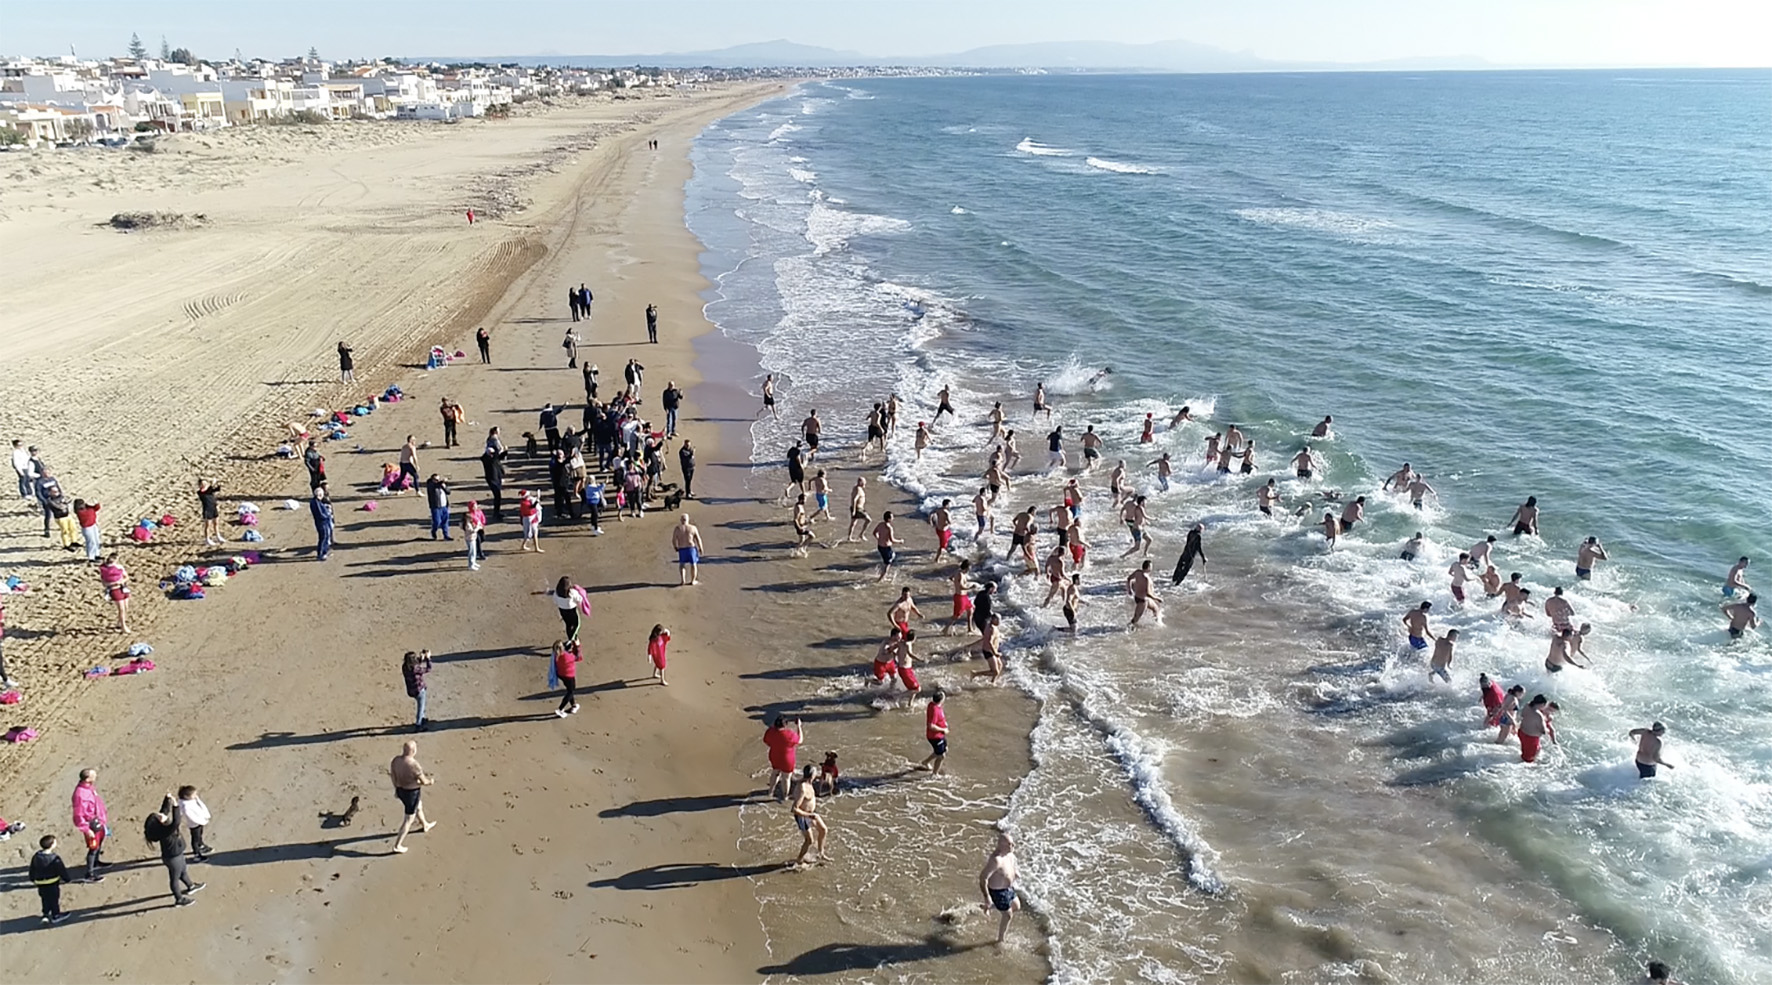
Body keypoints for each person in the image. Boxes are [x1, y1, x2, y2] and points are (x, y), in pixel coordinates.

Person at [145, 793, 204, 905]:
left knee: (183, 871)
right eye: (159, 816)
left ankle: (191, 886)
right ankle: (179, 899)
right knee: (175, 878)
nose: (161, 814)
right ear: (160, 823)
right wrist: (176, 805)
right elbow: (176, 821)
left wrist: (167, 799)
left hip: (177, 855)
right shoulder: (166, 831)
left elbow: (164, 810)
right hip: (172, 858)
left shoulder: (162, 825)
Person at [388, 740, 437, 853]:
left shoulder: (395, 761)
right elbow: (423, 781)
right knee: (409, 819)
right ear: (414, 751)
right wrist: (431, 782)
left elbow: (393, 776)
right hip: (411, 793)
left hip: (400, 790)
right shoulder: (414, 765)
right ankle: (397, 845)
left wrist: (396, 788)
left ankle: (425, 824)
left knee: (418, 806)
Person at [978, 831, 1021, 945]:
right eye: (1010, 844)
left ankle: (990, 906)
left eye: (1013, 843)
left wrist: (1015, 874)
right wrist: (987, 896)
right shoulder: (996, 860)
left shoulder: (1009, 854)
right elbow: (983, 878)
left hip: (1008, 889)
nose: (1013, 846)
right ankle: (1000, 940)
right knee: (1007, 915)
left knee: (1016, 906)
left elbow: (1010, 868)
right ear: (1001, 845)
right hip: (997, 892)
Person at [70, 770, 109, 879]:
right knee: (93, 847)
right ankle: (89, 874)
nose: (96, 776)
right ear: (87, 779)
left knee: (99, 842)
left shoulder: (89, 787)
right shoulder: (80, 795)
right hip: (91, 825)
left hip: (98, 820)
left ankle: (96, 862)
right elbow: (78, 815)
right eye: (93, 775)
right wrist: (86, 830)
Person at [789, 765, 827, 866]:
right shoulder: (802, 788)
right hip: (803, 817)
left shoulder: (809, 782)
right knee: (809, 840)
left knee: (823, 830)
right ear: (812, 775)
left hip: (812, 813)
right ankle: (799, 860)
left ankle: (821, 853)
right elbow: (794, 809)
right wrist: (809, 815)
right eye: (815, 774)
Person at [30, 834, 71, 925]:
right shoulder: (54, 858)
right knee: (54, 899)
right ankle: (56, 915)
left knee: (44, 898)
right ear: (52, 845)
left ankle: (45, 914)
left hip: (40, 883)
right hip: (52, 882)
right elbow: (61, 869)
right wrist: (67, 879)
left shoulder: (36, 856)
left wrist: (32, 878)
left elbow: (32, 868)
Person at [765, 716, 804, 800]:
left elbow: (766, 741)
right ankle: (785, 796)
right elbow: (800, 740)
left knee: (775, 772)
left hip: (774, 756)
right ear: (785, 725)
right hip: (787, 759)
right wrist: (799, 726)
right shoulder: (789, 734)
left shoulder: (770, 731)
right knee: (786, 778)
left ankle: (771, 791)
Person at [1517, 695, 1558, 763]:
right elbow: (1543, 731)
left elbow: (1522, 715)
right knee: (1528, 759)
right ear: (1542, 704)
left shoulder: (1527, 705)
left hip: (1521, 732)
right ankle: (1525, 770)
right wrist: (1548, 729)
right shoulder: (1539, 716)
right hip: (1531, 738)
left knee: (1535, 749)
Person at [177, 785, 212, 861]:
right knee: (195, 839)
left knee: (200, 834)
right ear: (186, 796)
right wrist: (201, 821)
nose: (196, 796)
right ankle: (196, 855)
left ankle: (201, 845)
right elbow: (191, 817)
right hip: (194, 824)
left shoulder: (191, 800)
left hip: (200, 822)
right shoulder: (186, 806)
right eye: (194, 795)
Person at [97, 555, 130, 632]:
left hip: (123, 587)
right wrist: (113, 583)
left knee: (125, 607)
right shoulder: (105, 571)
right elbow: (104, 583)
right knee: (121, 609)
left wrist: (121, 581)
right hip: (114, 589)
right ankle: (123, 626)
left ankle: (119, 622)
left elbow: (126, 577)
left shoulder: (119, 567)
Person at [920, 690, 949, 775]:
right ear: (941, 700)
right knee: (941, 756)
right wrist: (943, 729)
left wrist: (944, 723)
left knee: (944, 750)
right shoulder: (935, 710)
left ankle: (925, 762)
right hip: (935, 736)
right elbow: (931, 726)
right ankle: (934, 774)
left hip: (940, 735)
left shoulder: (933, 704)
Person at [402, 650, 432, 730]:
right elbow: (428, 669)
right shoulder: (415, 668)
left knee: (421, 704)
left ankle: (422, 718)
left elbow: (414, 664)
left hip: (411, 691)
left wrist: (421, 659)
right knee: (421, 707)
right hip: (419, 691)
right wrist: (428, 658)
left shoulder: (405, 667)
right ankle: (418, 724)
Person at [1127, 559, 1162, 626]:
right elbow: (1148, 593)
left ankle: (1158, 624)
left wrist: (1130, 589)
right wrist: (1157, 598)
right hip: (1143, 601)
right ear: (1148, 567)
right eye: (1151, 566)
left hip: (1138, 597)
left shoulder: (1137, 572)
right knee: (1135, 619)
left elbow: (1129, 579)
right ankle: (1126, 630)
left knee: (1156, 609)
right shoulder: (1146, 579)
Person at [673, 513, 705, 586]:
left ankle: (683, 580)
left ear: (681, 520)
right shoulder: (692, 528)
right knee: (693, 564)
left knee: (682, 564)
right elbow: (698, 538)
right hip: (691, 548)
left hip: (682, 548)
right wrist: (701, 547)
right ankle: (693, 580)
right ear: (688, 520)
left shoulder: (678, 528)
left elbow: (674, 539)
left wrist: (675, 547)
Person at [872, 511, 903, 582]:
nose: (893, 518)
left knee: (886, 560)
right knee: (888, 564)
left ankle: (881, 574)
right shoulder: (889, 528)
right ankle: (880, 580)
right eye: (892, 517)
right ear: (889, 519)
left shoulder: (880, 524)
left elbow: (874, 533)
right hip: (886, 548)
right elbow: (892, 540)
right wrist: (900, 541)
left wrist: (879, 539)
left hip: (880, 546)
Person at [552, 640, 581, 716]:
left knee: (569, 689)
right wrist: (577, 646)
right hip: (569, 676)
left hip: (561, 674)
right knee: (571, 692)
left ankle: (573, 706)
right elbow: (578, 657)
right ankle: (560, 709)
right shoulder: (568, 656)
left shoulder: (557, 655)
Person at [425, 474, 452, 541]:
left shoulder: (441, 485)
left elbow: (448, 492)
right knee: (437, 522)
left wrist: (444, 487)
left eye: (438, 479)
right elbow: (434, 486)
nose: (437, 481)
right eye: (435, 480)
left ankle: (446, 535)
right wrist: (442, 482)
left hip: (444, 506)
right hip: (436, 507)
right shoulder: (430, 485)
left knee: (445, 521)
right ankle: (434, 531)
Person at [311, 486, 335, 561]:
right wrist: (327, 515)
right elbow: (320, 514)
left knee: (326, 536)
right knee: (323, 537)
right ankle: (321, 554)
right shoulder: (316, 503)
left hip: (323, 522)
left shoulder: (317, 502)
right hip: (322, 522)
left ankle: (325, 551)